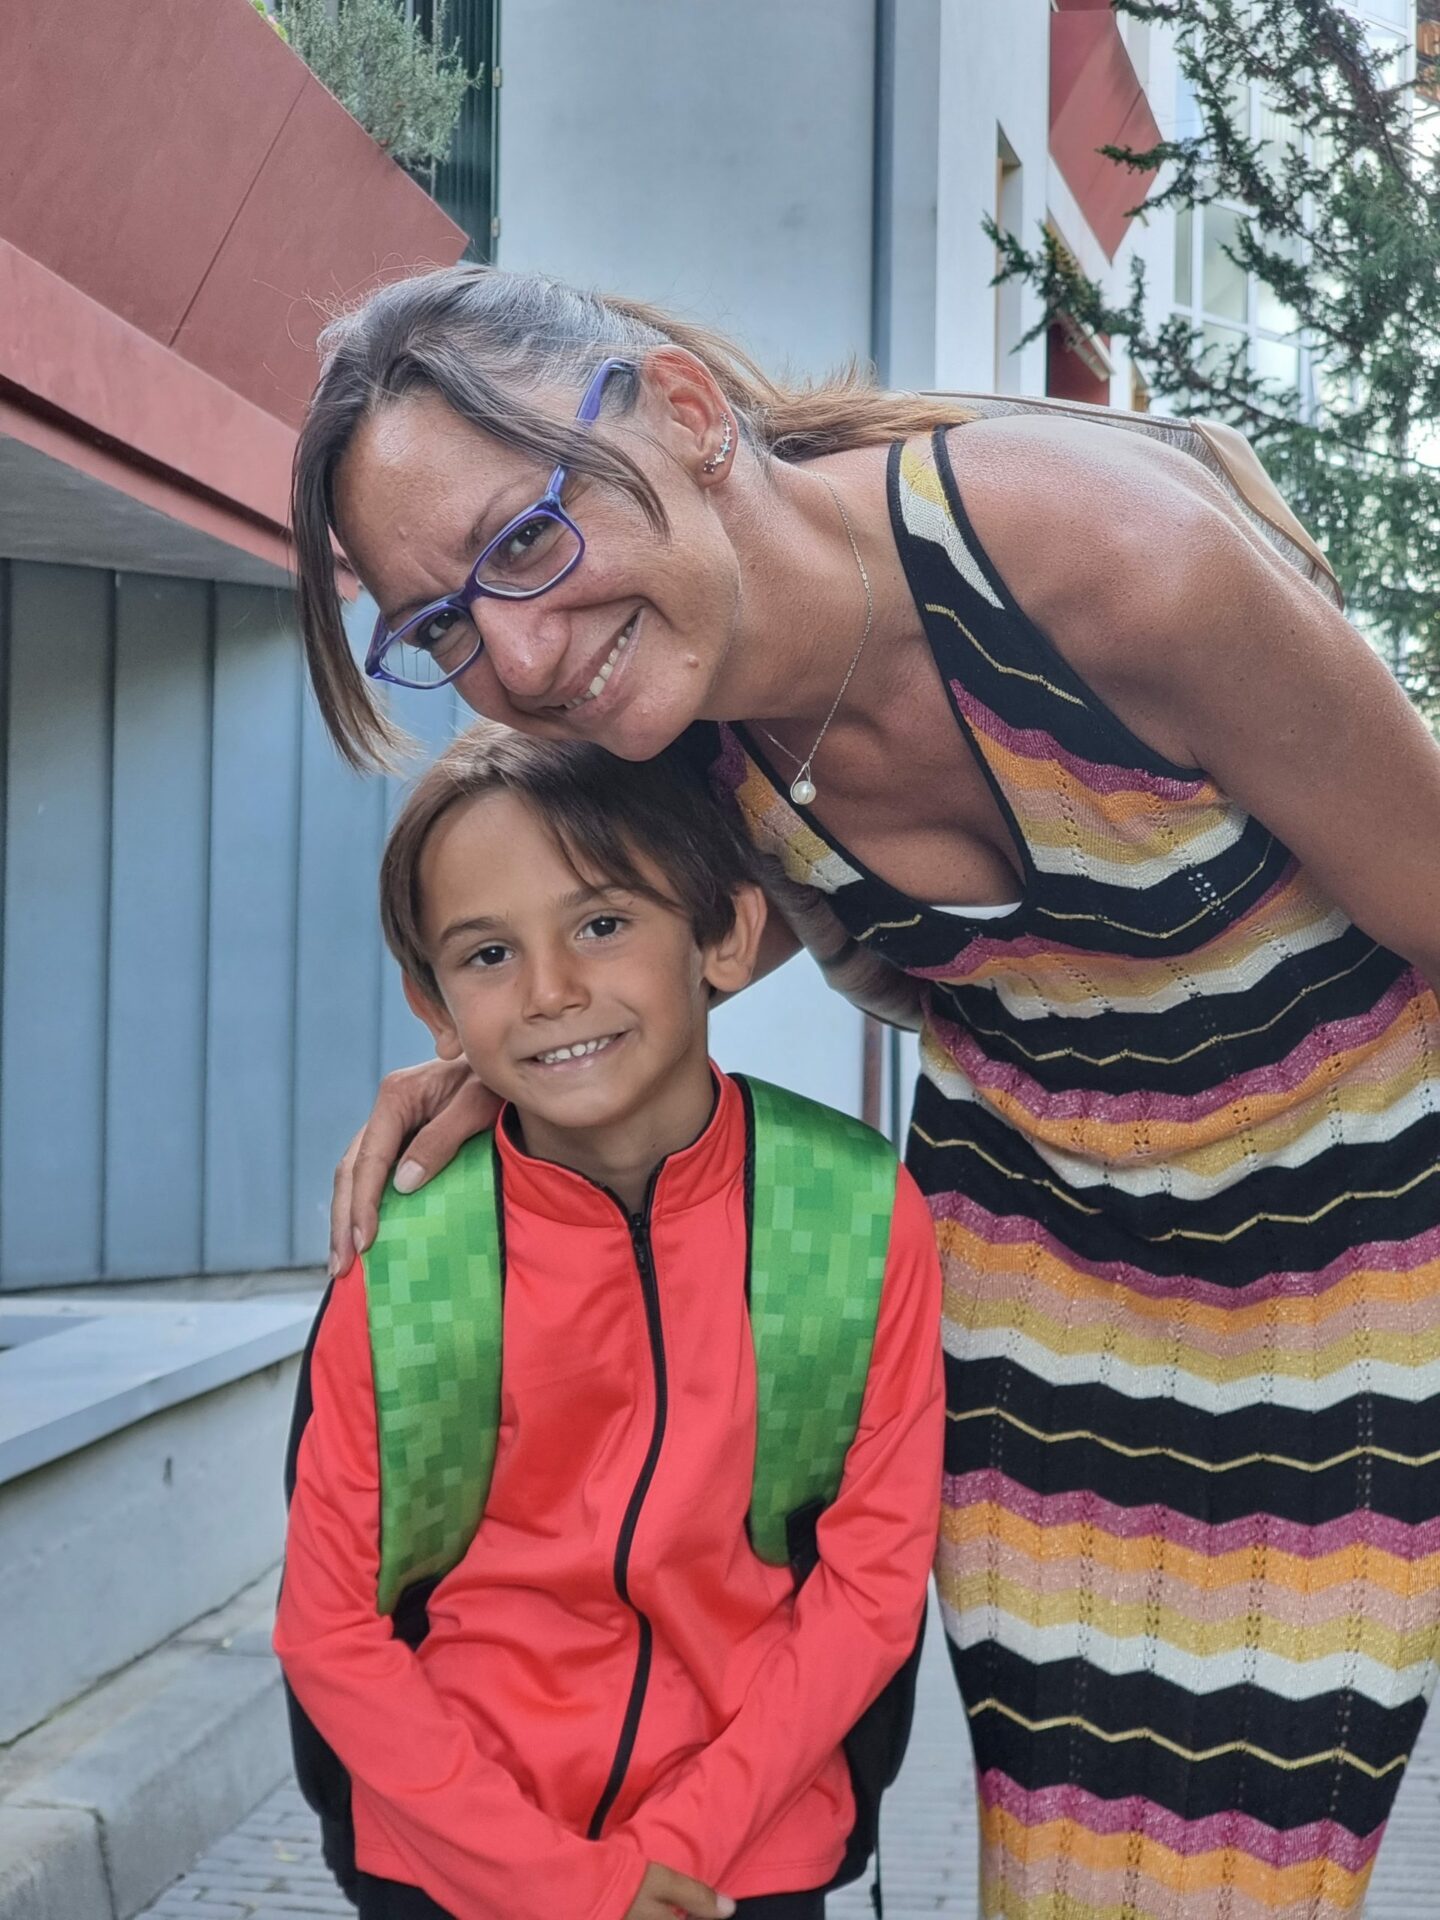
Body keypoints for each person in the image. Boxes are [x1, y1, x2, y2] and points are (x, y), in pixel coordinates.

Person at [291, 265, 1440, 1917]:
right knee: (1069, 1850)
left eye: (525, 540)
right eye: (444, 628)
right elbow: (656, 961)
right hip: (1038, 1260)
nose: (519, 653)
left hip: (1352, 1246)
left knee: (1261, 1852)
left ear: (687, 415)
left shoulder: (1118, 567)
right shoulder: (678, 743)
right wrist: (494, 1073)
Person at [273, 722, 945, 1920]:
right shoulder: (406, 1253)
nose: (551, 993)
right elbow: (330, 1628)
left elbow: (871, 1587)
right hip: (459, 1859)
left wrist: (672, 1854)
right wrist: (564, 1885)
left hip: (747, 1846)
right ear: (436, 1007)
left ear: (725, 936)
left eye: (601, 923)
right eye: (488, 953)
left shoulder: (852, 1212)